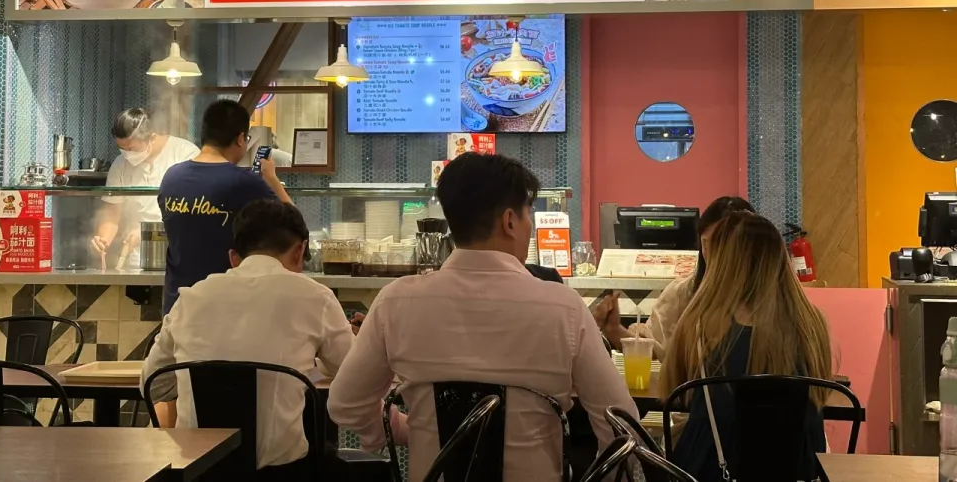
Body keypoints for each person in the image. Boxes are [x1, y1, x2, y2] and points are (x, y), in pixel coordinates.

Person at [328, 152, 637, 482]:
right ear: (509, 221)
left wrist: (408, 430)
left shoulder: (395, 301)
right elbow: (622, 426)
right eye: (528, 215)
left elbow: (347, 404)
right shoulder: (565, 308)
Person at [141, 198, 354, 478]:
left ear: (234, 258)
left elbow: (152, 384)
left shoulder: (191, 297)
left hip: (199, 473)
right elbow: (354, 374)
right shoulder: (316, 296)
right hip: (284, 474)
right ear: (299, 251)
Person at [660, 215, 832, 482]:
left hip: (710, 468)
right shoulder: (811, 324)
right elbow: (821, 393)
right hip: (800, 469)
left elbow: (675, 391)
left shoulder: (700, 323)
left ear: (724, 262)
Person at [157, 99, 292, 315]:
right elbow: (295, 225)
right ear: (240, 139)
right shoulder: (244, 182)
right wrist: (272, 179)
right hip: (225, 309)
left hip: (178, 307)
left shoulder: (171, 177)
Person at [593, 196, 756, 357]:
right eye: (706, 244)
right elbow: (653, 348)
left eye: (721, 244)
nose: (712, 253)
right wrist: (614, 330)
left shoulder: (765, 293)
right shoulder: (683, 291)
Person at [92, 108, 198, 265]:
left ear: (152, 138)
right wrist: (103, 239)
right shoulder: (120, 164)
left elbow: (194, 214)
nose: (127, 154)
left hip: (181, 255)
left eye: (132, 149)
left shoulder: (185, 154)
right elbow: (112, 213)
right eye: (122, 149)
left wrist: (149, 233)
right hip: (138, 259)